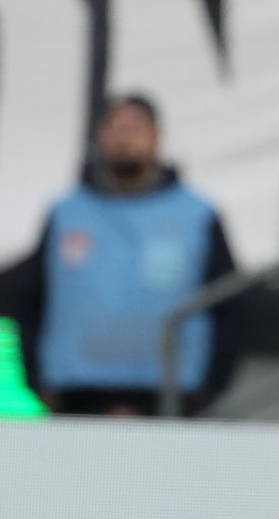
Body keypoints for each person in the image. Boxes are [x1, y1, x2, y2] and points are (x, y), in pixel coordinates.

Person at [34, 94, 241, 417]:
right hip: (77, 395)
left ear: (157, 138)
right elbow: (33, 298)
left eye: (134, 128)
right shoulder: (66, 214)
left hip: (170, 396)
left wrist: (209, 389)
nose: (124, 139)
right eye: (116, 128)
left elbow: (228, 304)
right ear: (101, 138)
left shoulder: (197, 215)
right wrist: (37, 381)